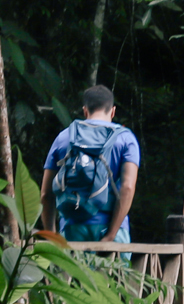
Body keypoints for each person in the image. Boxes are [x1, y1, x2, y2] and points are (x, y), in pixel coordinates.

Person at [39, 85, 139, 243]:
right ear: (112, 111)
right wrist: (111, 235)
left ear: (85, 111)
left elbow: (45, 195)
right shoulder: (126, 139)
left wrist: (53, 237)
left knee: (71, 269)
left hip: (72, 231)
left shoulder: (63, 137)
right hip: (113, 232)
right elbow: (127, 187)